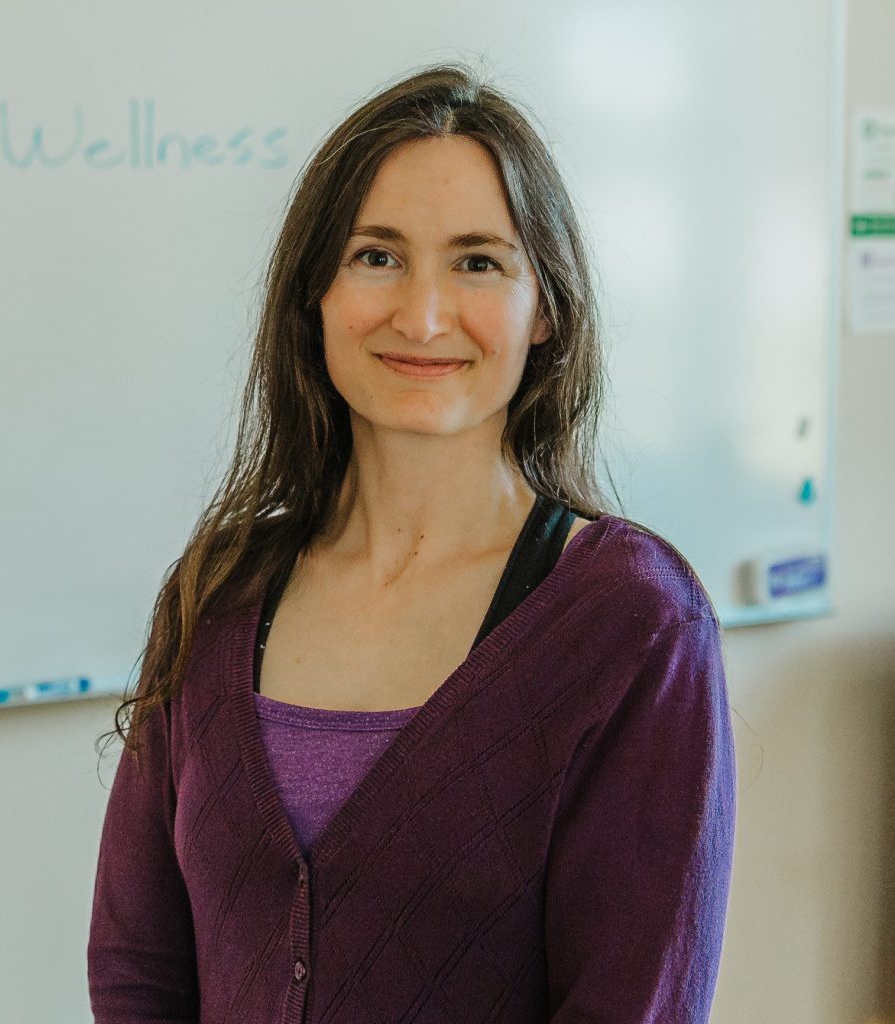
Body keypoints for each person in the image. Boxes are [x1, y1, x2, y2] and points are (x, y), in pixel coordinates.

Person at [87, 62, 736, 1024]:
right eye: (376, 256)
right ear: (316, 293)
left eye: (478, 260)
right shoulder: (219, 587)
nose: (422, 316)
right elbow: (138, 967)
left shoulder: (634, 622)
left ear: (544, 309)